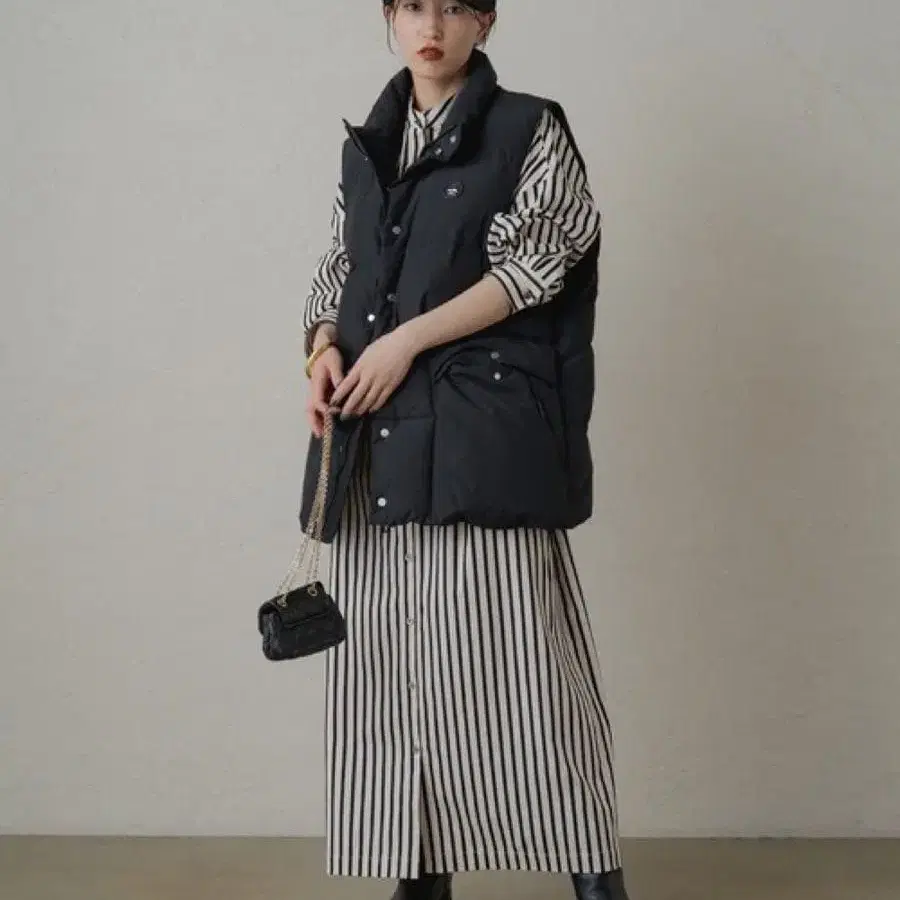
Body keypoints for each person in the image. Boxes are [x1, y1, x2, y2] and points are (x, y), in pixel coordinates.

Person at [299, 2, 630, 898]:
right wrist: (322, 349)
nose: (431, 25)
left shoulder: (528, 129)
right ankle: (421, 870)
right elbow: (338, 265)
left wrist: (404, 343)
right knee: (392, 673)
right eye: (413, 5)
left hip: (483, 434)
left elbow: (541, 263)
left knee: (525, 669)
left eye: (453, 7)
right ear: (389, 18)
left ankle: (594, 874)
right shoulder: (366, 146)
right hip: (374, 440)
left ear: (485, 22)